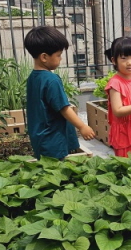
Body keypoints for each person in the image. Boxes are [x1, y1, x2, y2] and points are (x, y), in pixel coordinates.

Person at [24, 25, 95, 159]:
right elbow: (64, 108)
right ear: (44, 57)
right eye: (58, 55)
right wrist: (82, 126)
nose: (61, 59)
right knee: (56, 174)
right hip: (53, 140)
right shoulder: (51, 80)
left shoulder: (33, 77)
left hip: (40, 137)